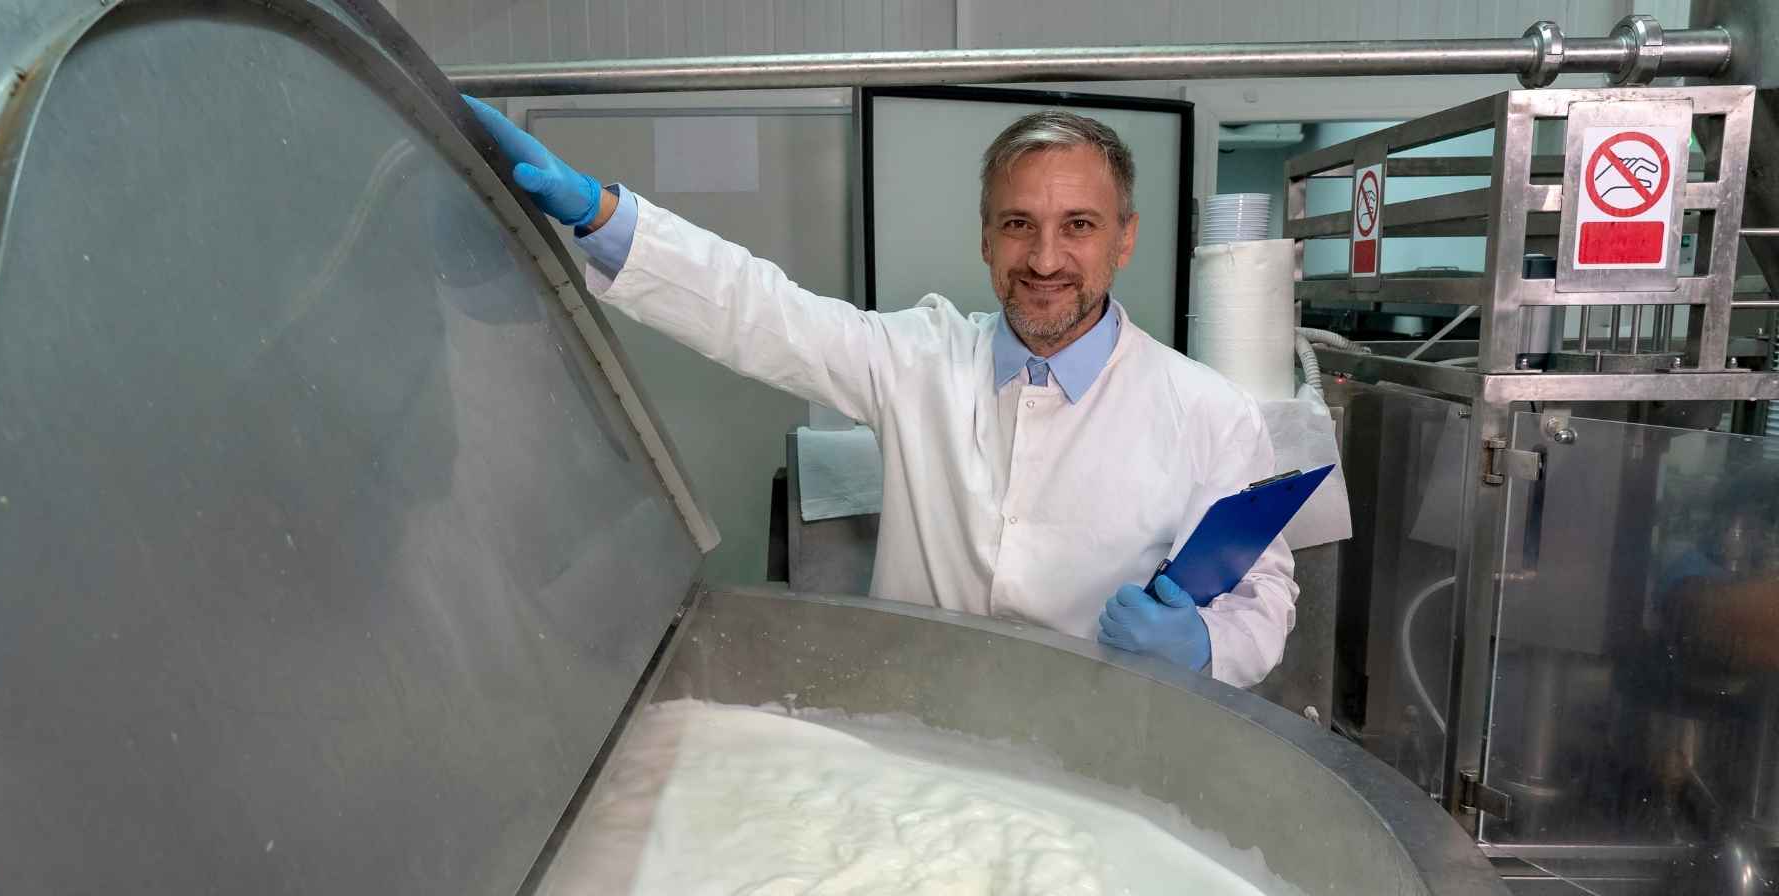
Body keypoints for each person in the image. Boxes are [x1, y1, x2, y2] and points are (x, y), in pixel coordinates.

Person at [461, 98, 1296, 687]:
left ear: (1124, 239)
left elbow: (1265, 596)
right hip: (918, 726)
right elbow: (764, 312)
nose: (1045, 259)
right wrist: (604, 218)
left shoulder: (1205, 412)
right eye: (1018, 225)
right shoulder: (921, 356)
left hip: (1107, 751)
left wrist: (1202, 646)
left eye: (1078, 225)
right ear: (984, 236)